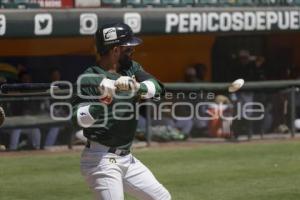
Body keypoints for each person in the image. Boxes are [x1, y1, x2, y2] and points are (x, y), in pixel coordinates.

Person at [71, 23, 171, 200]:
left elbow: (158, 88)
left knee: (162, 198)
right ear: (115, 50)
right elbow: (78, 120)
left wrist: (137, 86)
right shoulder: (89, 78)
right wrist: (103, 100)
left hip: (127, 158)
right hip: (100, 159)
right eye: (128, 49)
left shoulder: (131, 68)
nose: (132, 52)